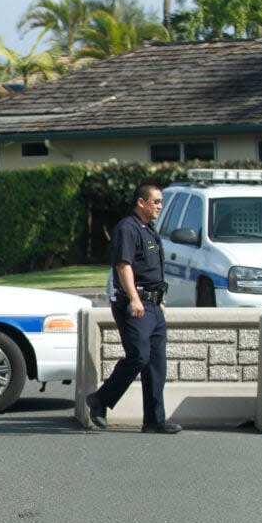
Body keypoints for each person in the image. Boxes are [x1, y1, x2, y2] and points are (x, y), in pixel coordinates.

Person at [86, 184, 181, 434]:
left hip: (153, 304)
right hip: (135, 304)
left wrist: (158, 299)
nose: (160, 206)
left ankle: (154, 420)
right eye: (156, 201)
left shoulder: (148, 230)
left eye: (160, 202)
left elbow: (150, 269)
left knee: (156, 364)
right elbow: (123, 265)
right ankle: (100, 399)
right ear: (141, 202)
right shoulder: (127, 229)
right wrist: (135, 299)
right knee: (139, 355)